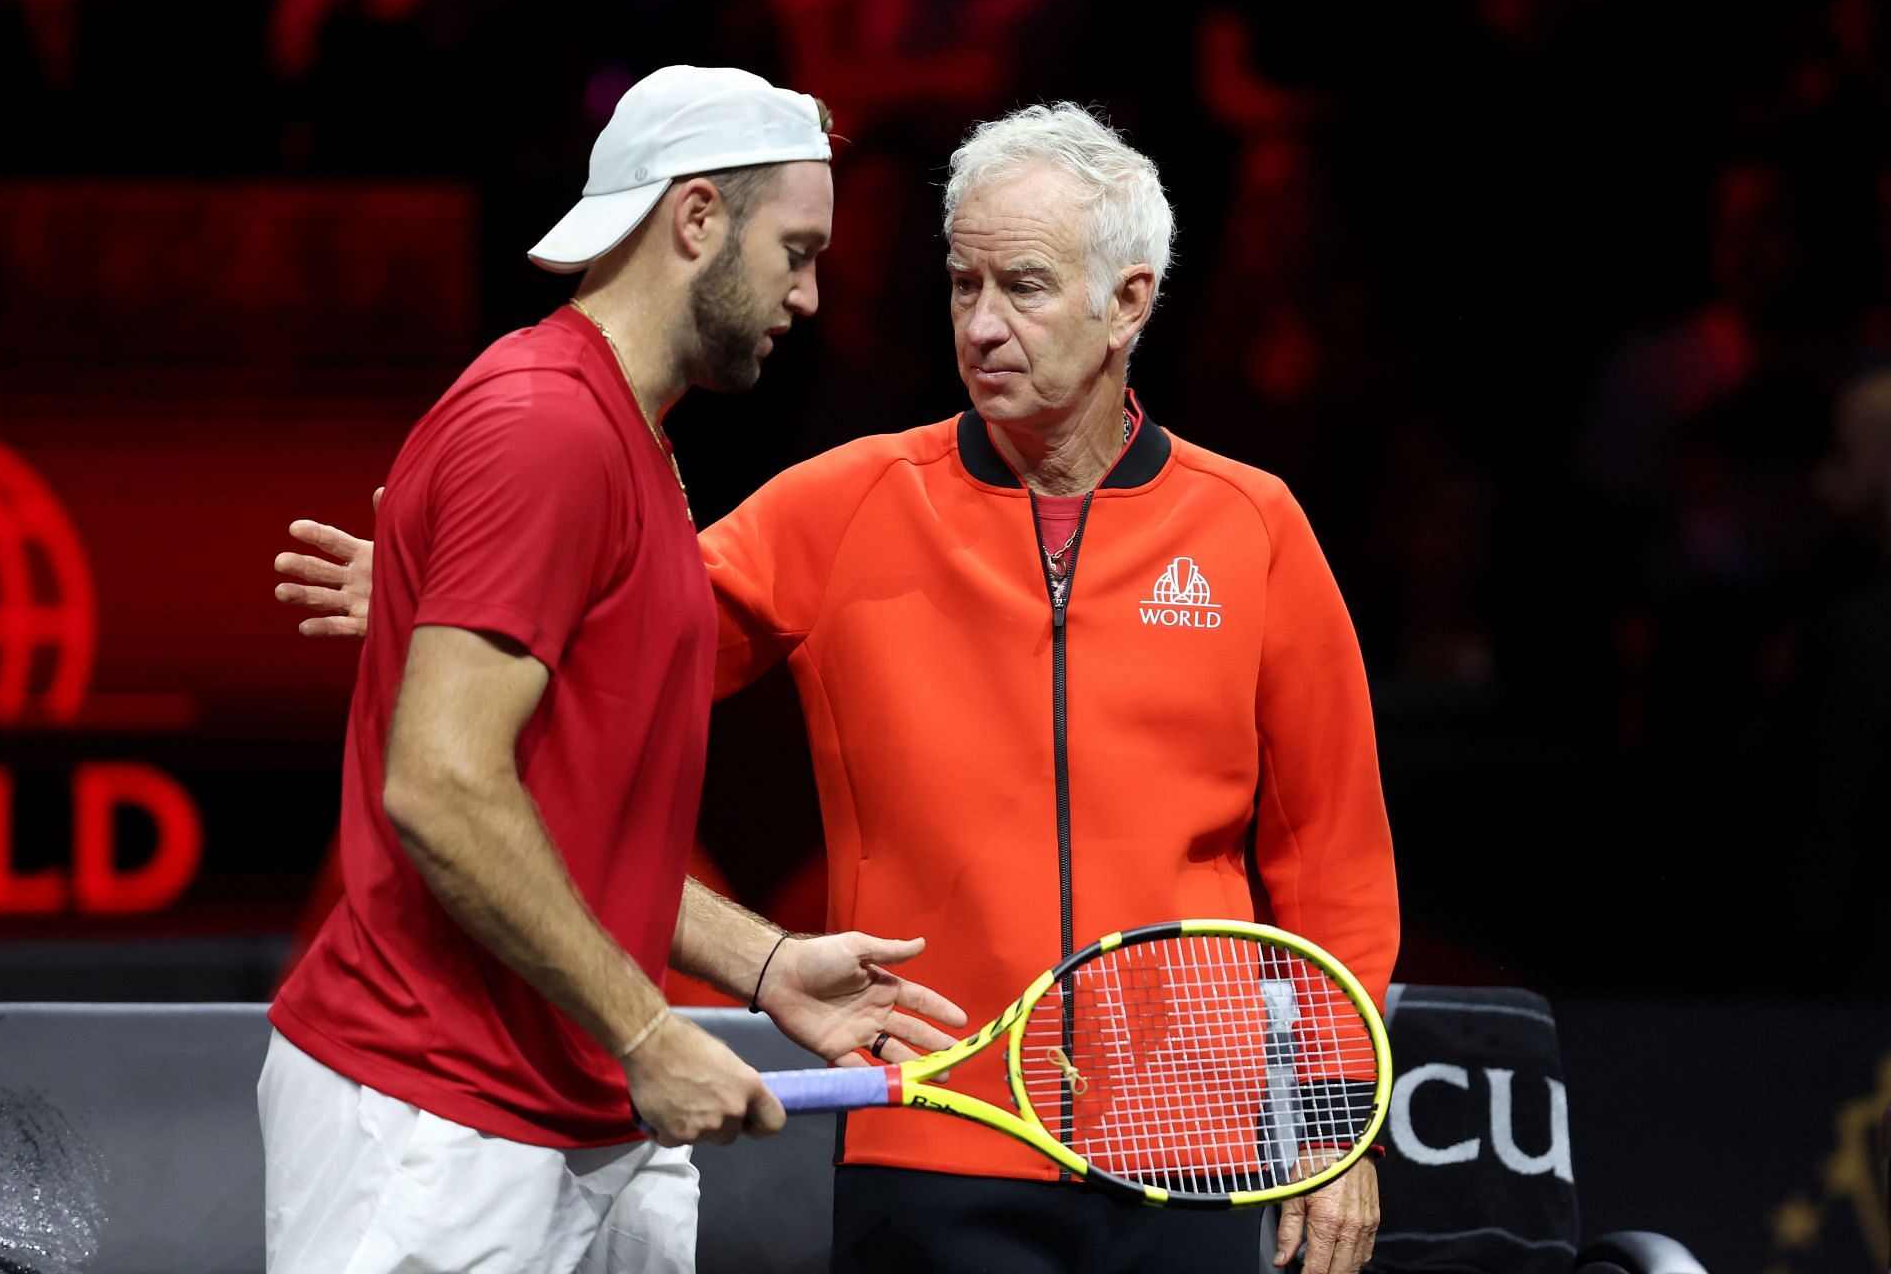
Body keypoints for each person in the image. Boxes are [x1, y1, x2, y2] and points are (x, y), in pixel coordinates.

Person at [276, 102, 1397, 1274]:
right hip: (934, 1131)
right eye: (963, 286)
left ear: (1128, 302)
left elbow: (1332, 854)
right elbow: (623, 660)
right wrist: (455, 597)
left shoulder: (1254, 526)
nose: (983, 325)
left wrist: (1338, 1114)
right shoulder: (846, 502)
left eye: (1023, 286)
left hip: (1191, 1144)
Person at [260, 64, 963, 1274]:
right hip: (440, 1125)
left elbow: (573, 819)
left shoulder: (624, 439)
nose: (808, 293)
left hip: (580, 1118)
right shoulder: (547, 427)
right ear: (696, 220)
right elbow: (441, 786)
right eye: (795, 250)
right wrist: (647, 1027)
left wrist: (764, 963)